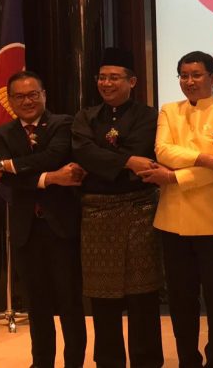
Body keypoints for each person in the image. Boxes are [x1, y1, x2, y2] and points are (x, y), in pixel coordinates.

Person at [139, 51, 213, 368]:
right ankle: (188, 360)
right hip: (173, 222)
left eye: (196, 75)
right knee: (181, 300)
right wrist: (205, 158)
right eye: (184, 75)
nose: (189, 81)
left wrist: (173, 177)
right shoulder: (169, 110)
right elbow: (162, 150)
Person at [0, 70, 86, 368]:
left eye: (33, 95)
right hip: (26, 231)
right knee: (36, 304)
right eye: (19, 97)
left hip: (61, 228)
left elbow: (53, 156)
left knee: (70, 303)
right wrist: (50, 178)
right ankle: (41, 362)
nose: (27, 101)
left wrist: (6, 165)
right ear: (10, 101)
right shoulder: (2, 133)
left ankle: (74, 363)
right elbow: (6, 181)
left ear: (44, 95)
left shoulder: (63, 123)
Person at [71, 48, 164, 368]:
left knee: (143, 296)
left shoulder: (149, 116)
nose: (106, 83)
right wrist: (127, 161)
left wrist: (110, 160)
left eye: (114, 77)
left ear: (132, 81)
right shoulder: (85, 117)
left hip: (139, 211)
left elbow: (142, 151)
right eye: (102, 77)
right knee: (102, 297)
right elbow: (83, 152)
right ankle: (108, 361)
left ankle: (146, 362)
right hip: (96, 214)